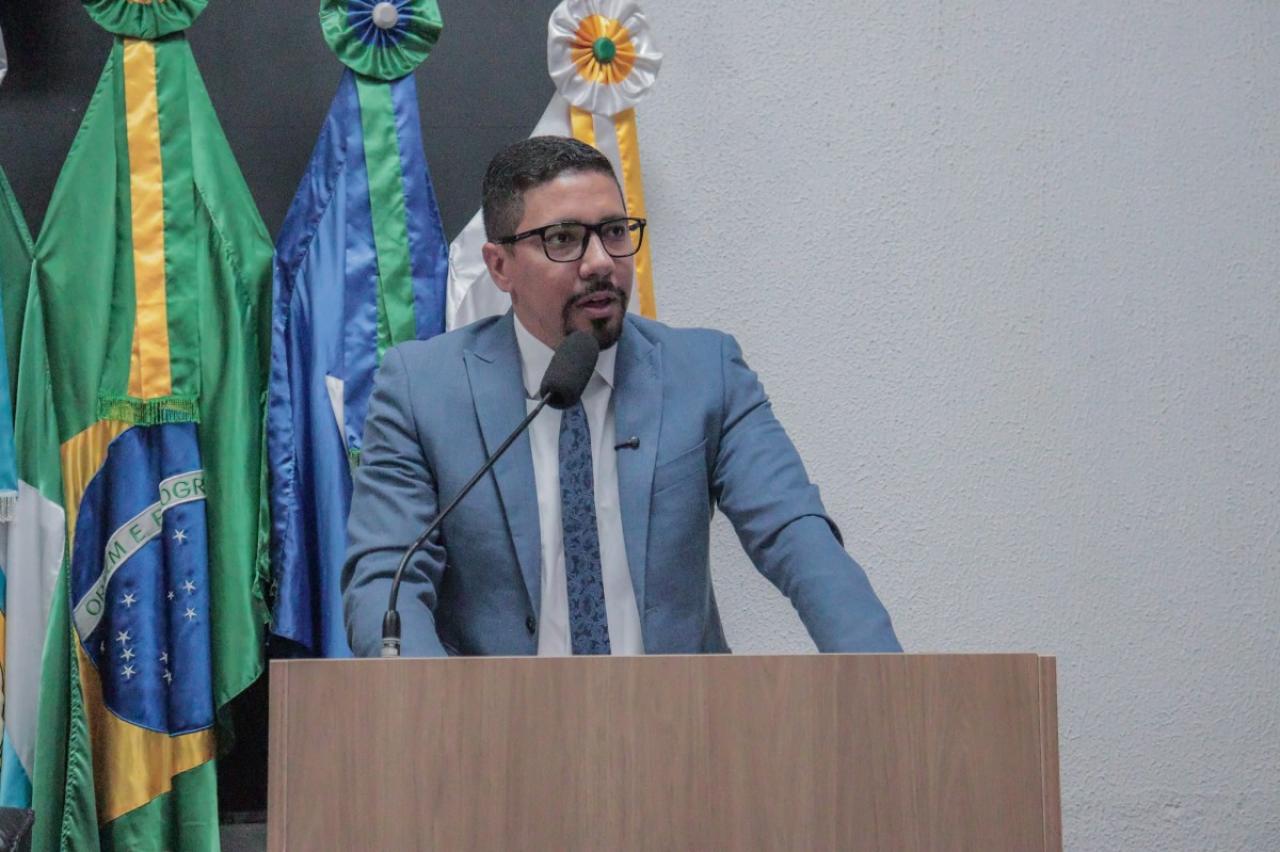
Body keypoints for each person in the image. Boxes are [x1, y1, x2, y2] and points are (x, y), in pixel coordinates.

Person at [342, 136, 899, 657]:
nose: (601, 262)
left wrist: (884, 683)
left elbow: (796, 535)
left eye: (614, 231)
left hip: (679, 718)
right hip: (497, 724)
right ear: (500, 266)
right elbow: (387, 579)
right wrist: (434, 712)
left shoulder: (706, 373)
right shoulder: (422, 389)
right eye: (563, 239)